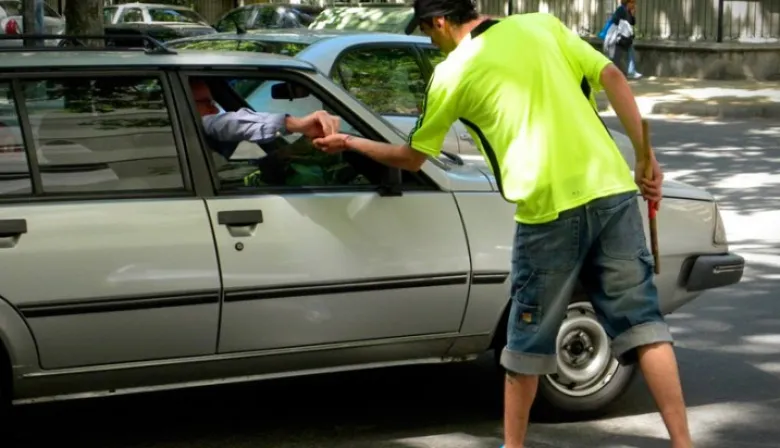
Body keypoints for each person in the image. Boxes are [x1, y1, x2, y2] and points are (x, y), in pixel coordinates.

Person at [311, 1, 692, 447]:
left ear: (439, 21)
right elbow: (611, 75)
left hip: (547, 211)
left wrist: (351, 142)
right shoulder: (540, 25)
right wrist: (646, 159)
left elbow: (413, 157)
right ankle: (684, 444)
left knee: (526, 345)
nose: (431, 42)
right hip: (612, 192)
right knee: (644, 327)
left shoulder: (453, 74)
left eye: (428, 32)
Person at [189, 78, 340, 160]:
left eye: (213, 102)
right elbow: (230, 123)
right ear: (184, 103)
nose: (214, 109)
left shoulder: (190, 136)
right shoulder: (206, 125)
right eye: (206, 102)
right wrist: (296, 124)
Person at [609, 0, 642, 79]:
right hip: (619, 37)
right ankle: (613, 72)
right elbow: (615, 20)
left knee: (629, 53)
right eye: (633, 3)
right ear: (628, 3)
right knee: (616, 55)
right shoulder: (621, 9)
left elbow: (632, 23)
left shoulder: (628, 11)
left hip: (626, 37)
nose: (634, 5)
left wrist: (632, 15)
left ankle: (631, 71)